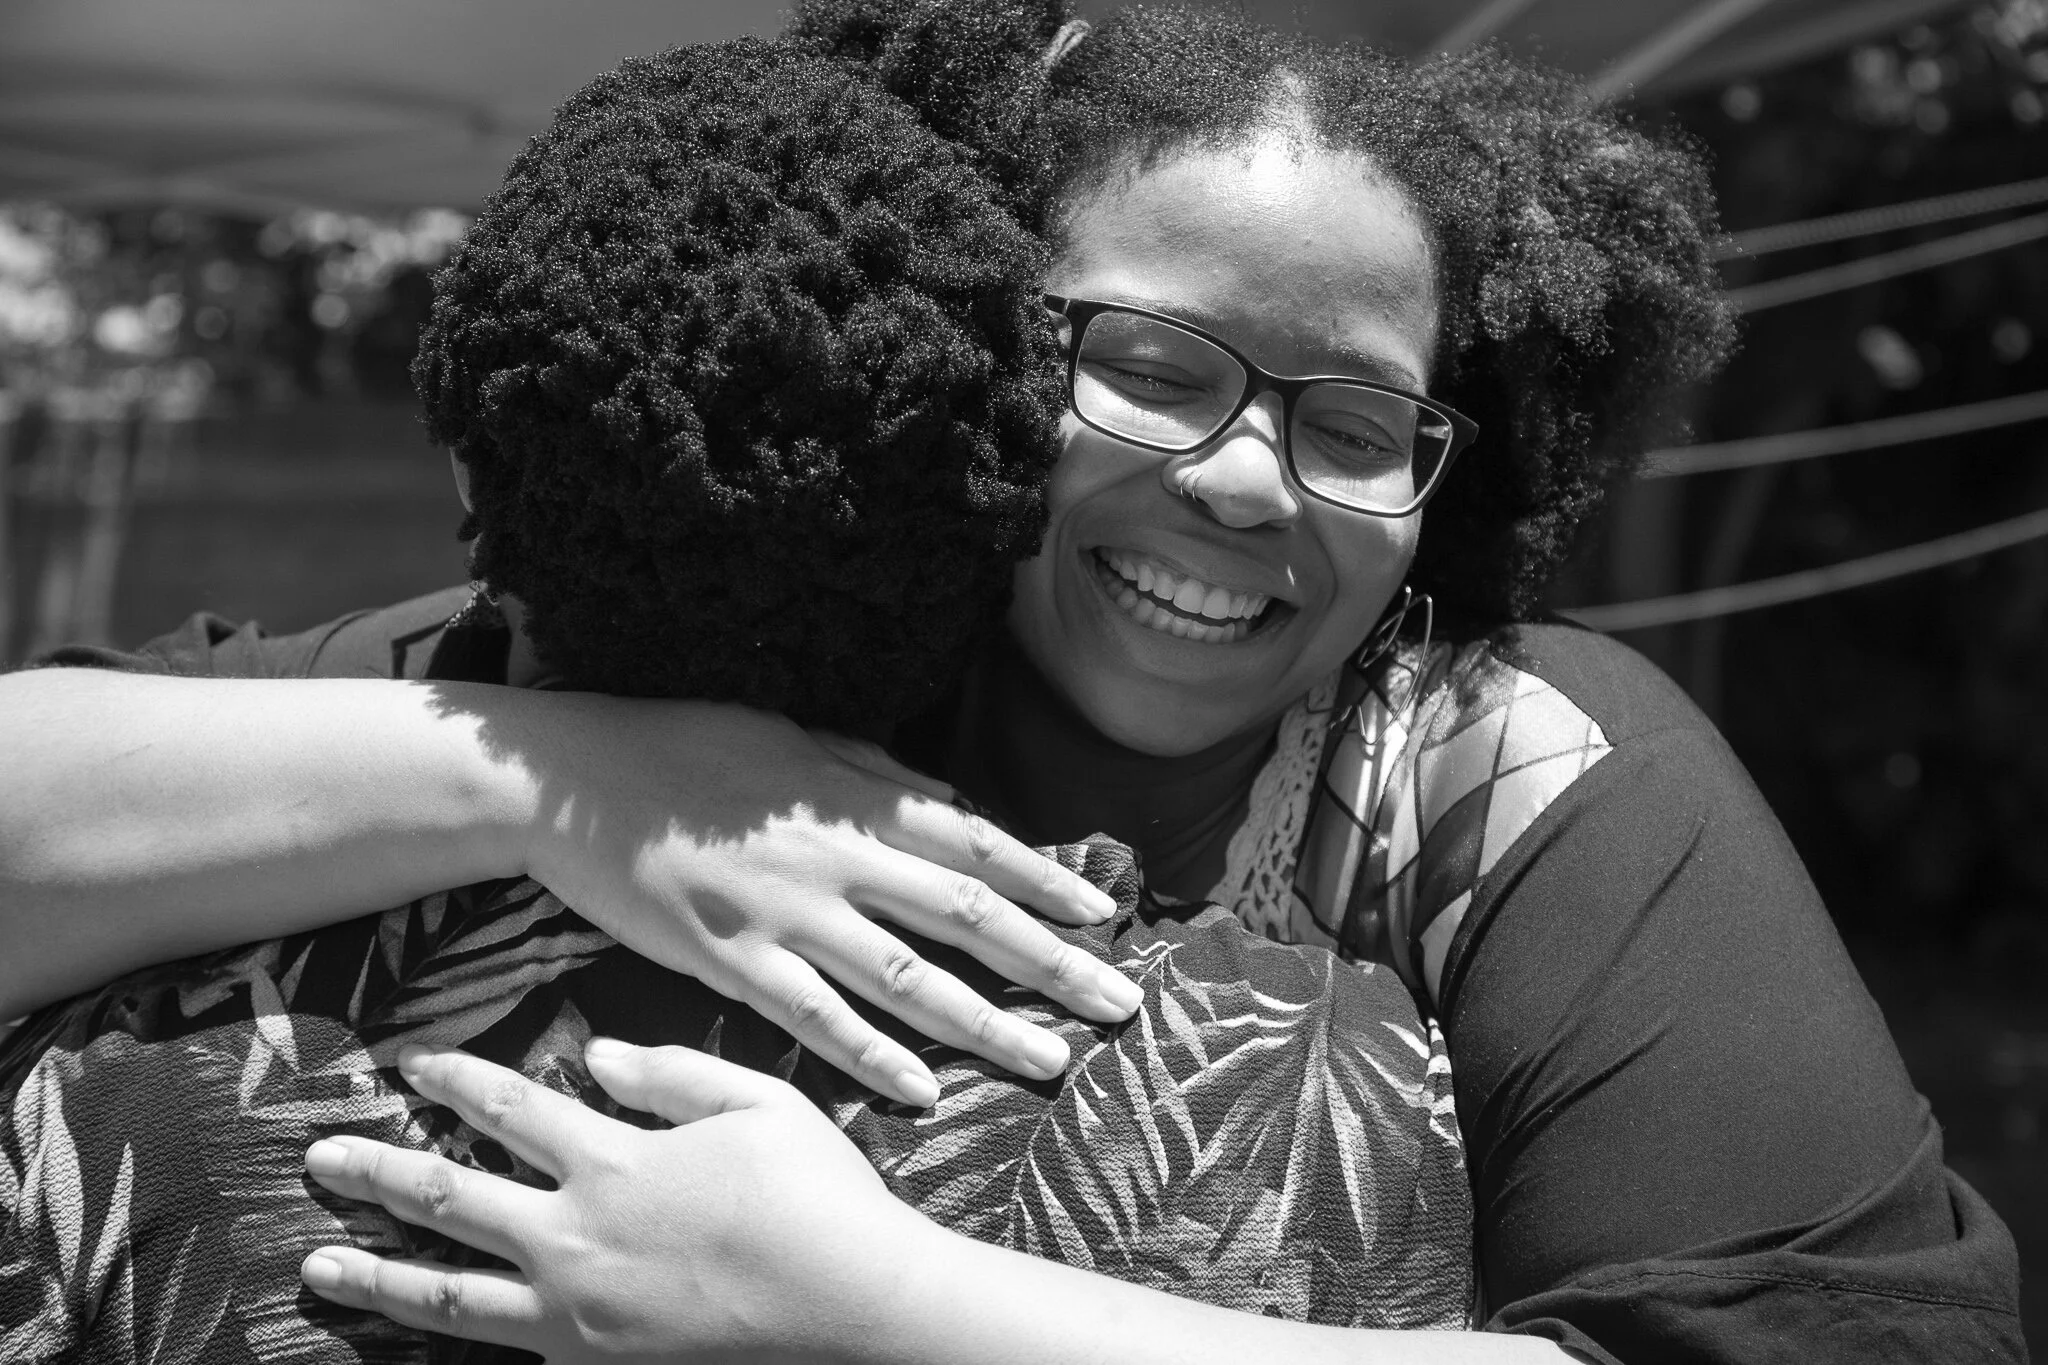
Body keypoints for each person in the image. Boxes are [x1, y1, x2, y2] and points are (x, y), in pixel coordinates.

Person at [0, 1, 2024, 1360]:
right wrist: (556, 777)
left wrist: (870, 1302)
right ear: (979, 337)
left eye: (1352, 420)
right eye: (1148, 365)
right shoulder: (701, 641)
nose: (1240, 479)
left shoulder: (1511, 779)